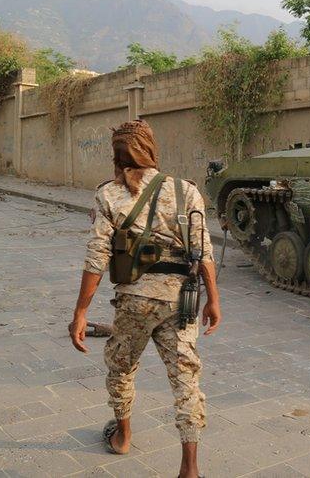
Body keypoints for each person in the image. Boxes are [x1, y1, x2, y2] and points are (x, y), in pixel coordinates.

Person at [68, 119, 220, 478]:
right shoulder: (187, 191)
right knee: (186, 380)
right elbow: (204, 249)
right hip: (179, 301)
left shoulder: (109, 194)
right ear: (151, 150)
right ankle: (190, 469)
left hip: (134, 301)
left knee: (121, 368)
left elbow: (97, 257)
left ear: (118, 157)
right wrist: (213, 299)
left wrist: (81, 312)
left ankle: (122, 435)